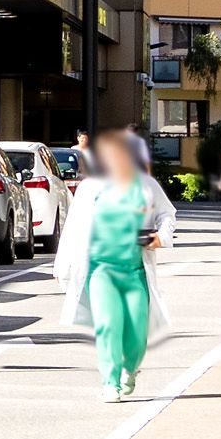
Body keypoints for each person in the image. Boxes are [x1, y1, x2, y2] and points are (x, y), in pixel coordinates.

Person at [61, 128, 173, 400]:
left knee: (136, 332)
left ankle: (130, 369)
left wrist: (160, 237)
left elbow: (167, 214)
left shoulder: (146, 185)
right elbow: (73, 227)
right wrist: (63, 265)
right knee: (108, 324)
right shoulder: (91, 188)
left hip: (135, 271)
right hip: (101, 271)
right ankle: (109, 382)